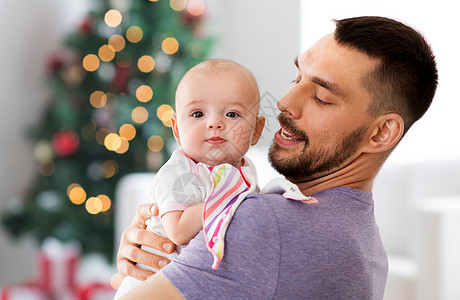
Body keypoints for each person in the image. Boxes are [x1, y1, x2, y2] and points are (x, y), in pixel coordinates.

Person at [113, 16, 438, 299]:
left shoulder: (263, 223)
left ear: (381, 133)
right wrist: (157, 258)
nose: (283, 101)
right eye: (297, 79)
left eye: (322, 97)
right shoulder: (365, 240)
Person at [114, 59, 266, 299]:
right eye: (198, 113)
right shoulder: (178, 173)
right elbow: (178, 231)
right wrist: (225, 205)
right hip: (152, 281)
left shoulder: (246, 170)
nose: (215, 123)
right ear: (176, 129)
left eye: (232, 114)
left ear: (256, 131)